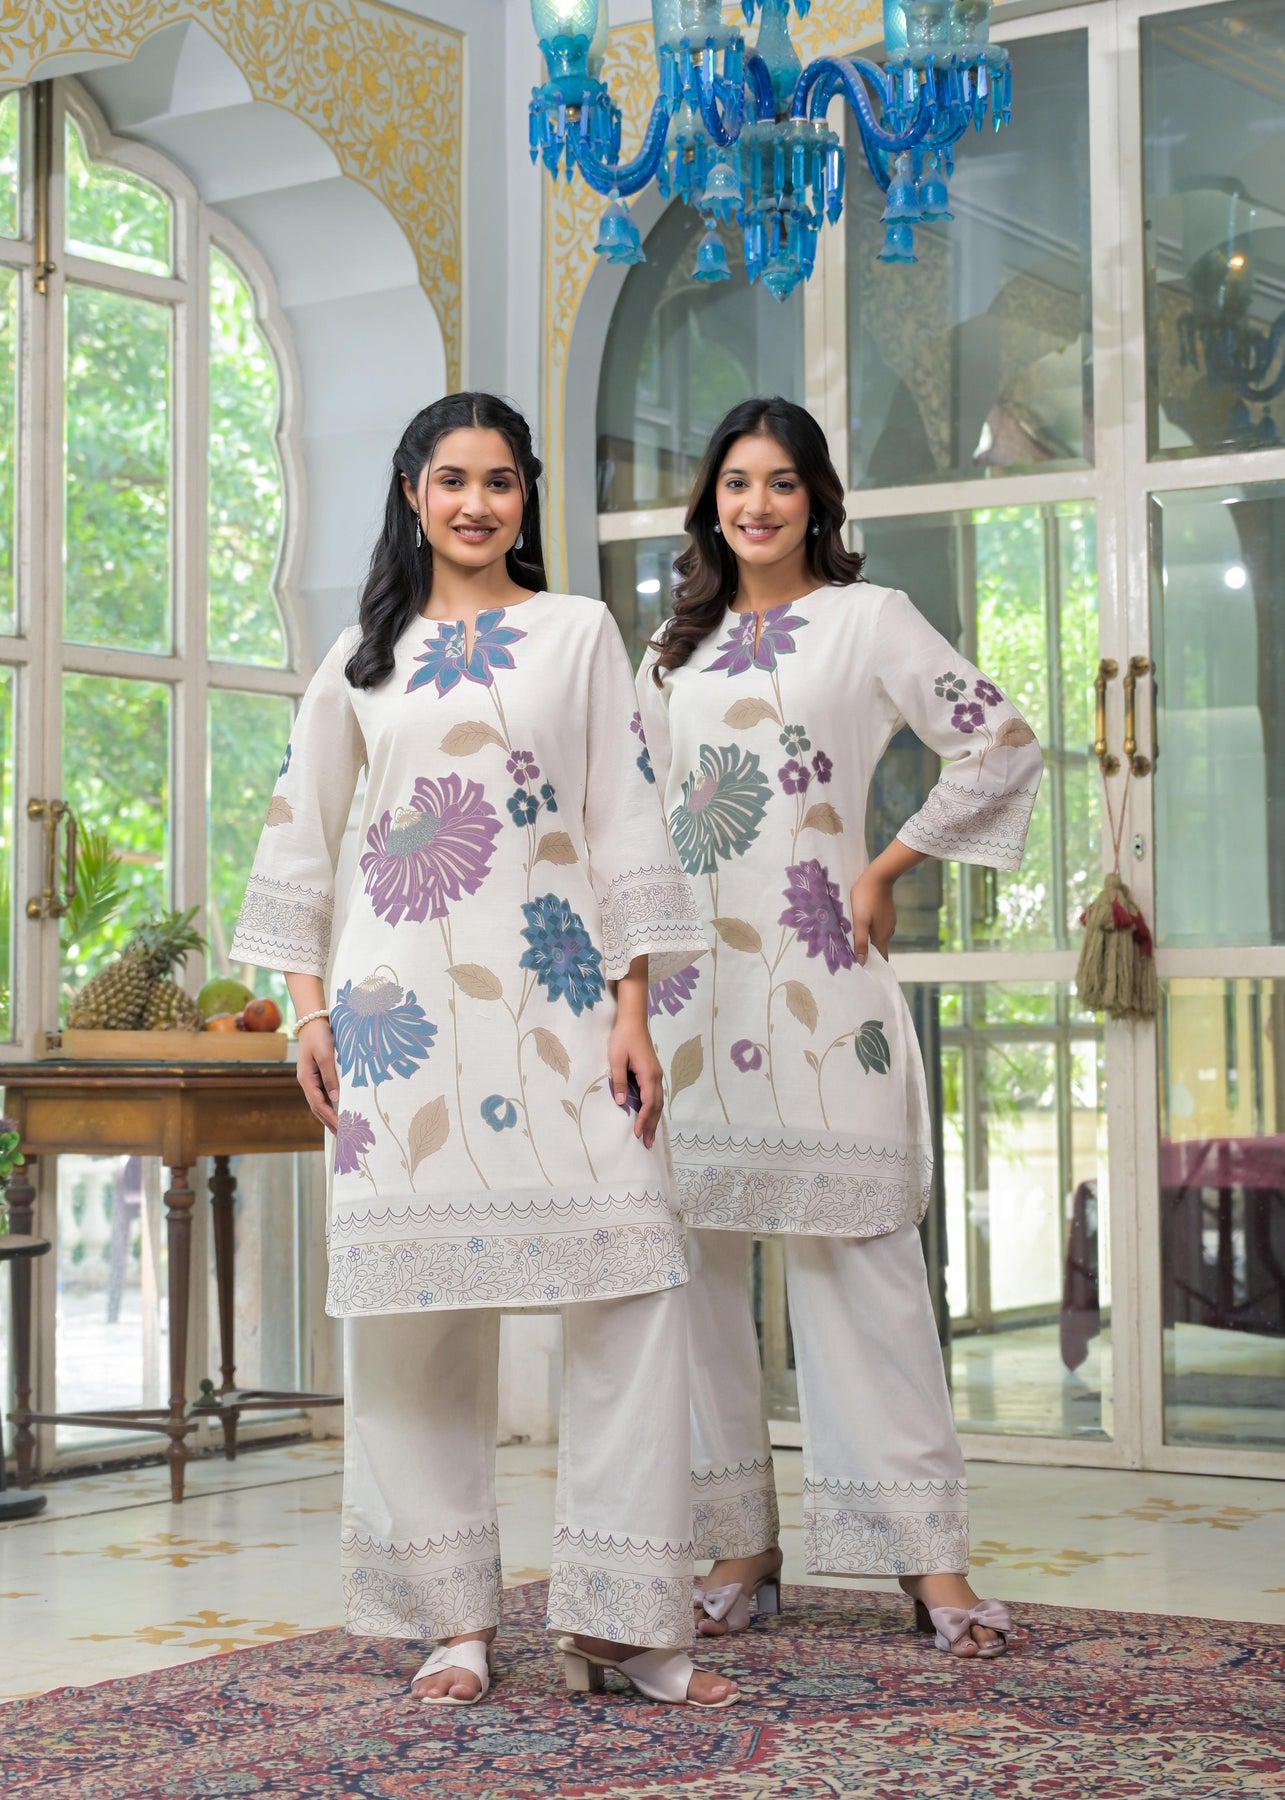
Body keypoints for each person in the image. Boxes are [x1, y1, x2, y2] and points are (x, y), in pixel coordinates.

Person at [231, 392, 736, 1708]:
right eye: (452, 479)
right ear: (412, 492)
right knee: (412, 1320)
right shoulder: (362, 658)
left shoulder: (575, 633)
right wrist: (306, 1013)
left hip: (563, 1002)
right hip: (394, 1023)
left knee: (632, 1285)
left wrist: (633, 1006)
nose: (475, 502)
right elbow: (298, 838)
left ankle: (623, 1623)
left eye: (499, 481)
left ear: (524, 498)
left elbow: (624, 819)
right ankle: (451, 1620)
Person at [636, 396, 1043, 1658]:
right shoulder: (672, 650)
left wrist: (884, 865)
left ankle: (927, 1560)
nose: (755, 504)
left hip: (821, 981)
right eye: (735, 483)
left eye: (781, 482)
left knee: (862, 1264)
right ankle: (738, 1547)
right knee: (692, 1276)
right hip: (689, 995)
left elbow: (1000, 741)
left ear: (816, 499)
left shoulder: (868, 619)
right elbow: (632, 816)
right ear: (710, 502)